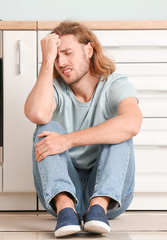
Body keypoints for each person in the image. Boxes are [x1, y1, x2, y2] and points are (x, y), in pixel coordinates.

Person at [24, 21, 143, 238]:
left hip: (112, 197)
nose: (62, 62)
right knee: (46, 126)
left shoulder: (115, 85)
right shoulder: (55, 89)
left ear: (89, 50)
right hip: (61, 198)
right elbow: (38, 114)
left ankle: (98, 207)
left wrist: (67, 140)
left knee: (119, 128)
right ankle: (66, 209)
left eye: (68, 53)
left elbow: (132, 123)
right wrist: (47, 60)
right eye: (57, 56)